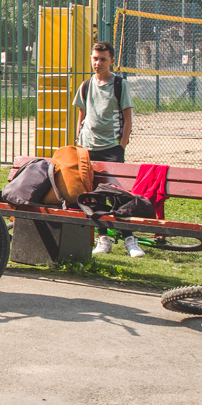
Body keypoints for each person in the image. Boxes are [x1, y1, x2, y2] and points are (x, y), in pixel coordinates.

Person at [74, 41, 143, 259]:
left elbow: (128, 117)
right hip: (87, 148)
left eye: (103, 59)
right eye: (95, 58)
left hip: (111, 147)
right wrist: (79, 141)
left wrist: (121, 145)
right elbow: (81, 117)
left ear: (112, 61)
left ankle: (130, 239)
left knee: (118, 195)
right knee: (93, 196)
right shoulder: (85, 85)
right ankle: (103, 238)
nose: (98, 62)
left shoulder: (120, 85)